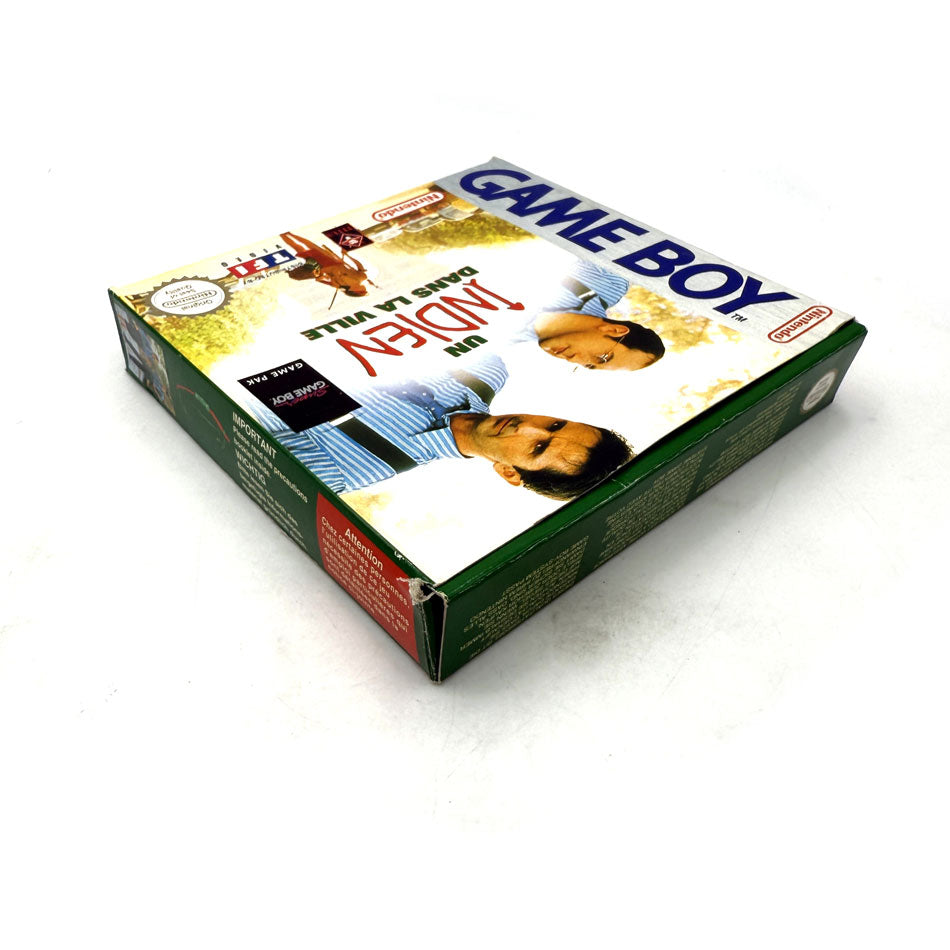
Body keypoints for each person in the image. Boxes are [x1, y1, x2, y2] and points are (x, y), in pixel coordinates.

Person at [248, 354, 633, 499]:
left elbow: (247, 409)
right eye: (555, 424)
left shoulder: (356, 466)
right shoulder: (487, 369)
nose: (527, 427)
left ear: (509, 473)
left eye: (538, 448)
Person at [514, 259, 666, 371]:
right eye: (603, 357)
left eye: (588, 365)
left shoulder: (514, 338)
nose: (573, 360)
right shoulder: (608, 283)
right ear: (614, 330)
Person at [280, 231, 371, 297]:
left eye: (363, 291)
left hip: (321, 266)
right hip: (333, 261)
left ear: (355, 290)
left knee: (300, 249)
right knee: (309, 245)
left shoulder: (339, 286)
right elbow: (359, 265)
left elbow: (318, 280)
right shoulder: (362, 277)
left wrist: (322, 276)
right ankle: (289, 234)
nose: (365, 289)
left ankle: (283, 234)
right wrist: (347, 255)